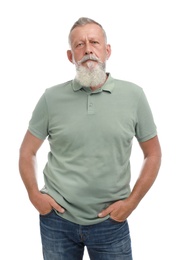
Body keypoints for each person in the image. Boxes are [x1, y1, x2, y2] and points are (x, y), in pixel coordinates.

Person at [19, 17, 162, 260]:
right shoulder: (51, 98)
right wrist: (35, 195)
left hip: (111, 221)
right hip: (57, 221)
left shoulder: (134, 96)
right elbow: (27, 152)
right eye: (79, 45)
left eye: (94, 42)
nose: (87, 50)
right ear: (70, 55)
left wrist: (131, 203)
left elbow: (153, 154)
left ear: (107, 50)